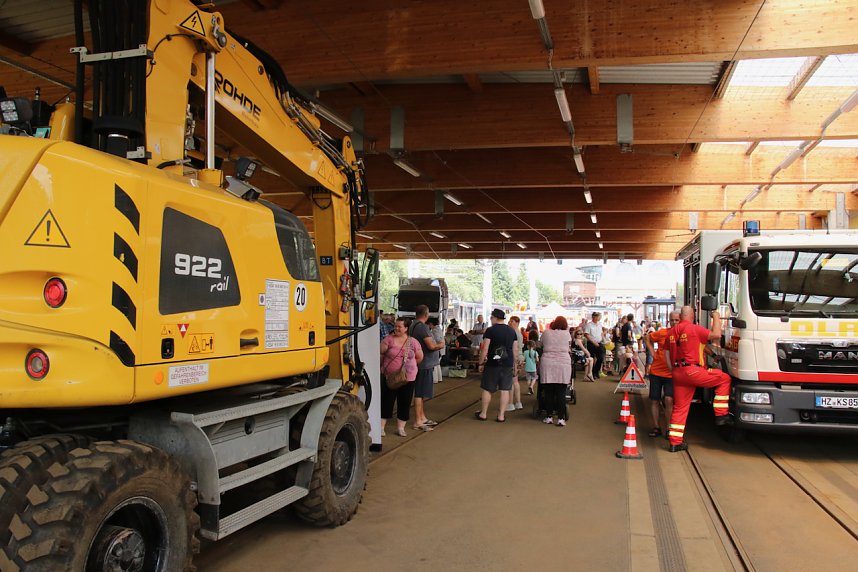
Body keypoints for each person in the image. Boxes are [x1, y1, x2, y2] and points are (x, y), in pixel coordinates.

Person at [665, 305, 731, 452]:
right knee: (724, 379)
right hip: (692, 371)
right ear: (692, 316)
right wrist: (716, 316)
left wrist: (672, 370)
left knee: (680, 408)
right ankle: (721, 415)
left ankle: (675, 442)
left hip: (678, 373)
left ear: (681, 316)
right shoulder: (694, 328)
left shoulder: (671, 332)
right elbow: (716, 335)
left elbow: (667, 353)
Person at [380, 317, 424, 437]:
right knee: (386, 401)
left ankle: (401, 428)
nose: (396, 328)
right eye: (395, 326)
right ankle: (381, 427)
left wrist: (408, 366)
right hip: (390, 377)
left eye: (400, 326)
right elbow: (381, 353)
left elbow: (419, 357)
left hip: (408, 378)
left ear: (406, 328)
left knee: (405, 402)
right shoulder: (388, 339)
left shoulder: (413, 342)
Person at [475, 309, 518, 422]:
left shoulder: (490, 330)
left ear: (494, 317)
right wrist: (515, 366)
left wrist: (480, 362)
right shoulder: (512, 331)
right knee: (505, 389)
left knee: (487, 388)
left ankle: (483, 414)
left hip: (493, 363)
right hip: (507, 363)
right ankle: (501, 416)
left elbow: (485, 348)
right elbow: (515, 350)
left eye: (491, 317)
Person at [409, 305, 445, 431]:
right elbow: (430, 346)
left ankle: (422, 417)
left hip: (418, 362)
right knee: (420, 393)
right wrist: (440, 345)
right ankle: (418, 421)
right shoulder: (423, 327)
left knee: (420, 392)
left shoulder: (412, 325)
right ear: (426, 314)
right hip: (424, 364)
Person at [644, 311, 679, 438]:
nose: (674, 322)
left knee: (669, 400)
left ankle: (669, 428)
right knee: (655, 400)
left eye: (677, 320)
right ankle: (656, 427)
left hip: (671, 374)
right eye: (672, 320)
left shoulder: (682, 334)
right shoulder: (663, 332)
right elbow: (647, 338)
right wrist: (653, 353)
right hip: (656, 372)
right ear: (668, 321)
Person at [539, 316, 572, 427]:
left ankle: (549, 416)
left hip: (548, 362)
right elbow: (568, 347)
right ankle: (561, 418)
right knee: (561, 392)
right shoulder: (567, 334)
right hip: (563, 364)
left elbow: (540, 344)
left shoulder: (546, 332)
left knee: (548, 392)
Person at [506, 315, 525, 411]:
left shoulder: (514, 333)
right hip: (518, 357)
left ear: (517, 323)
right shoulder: (519, 333)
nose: (510, 323)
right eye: (510, 321)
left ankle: (510, 403)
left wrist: (515, 361)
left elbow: (515, 348)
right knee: (515, 381)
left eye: (512, 321)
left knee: (511, 382)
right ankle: (518, 403)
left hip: (514, 357)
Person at [582, 312, 605, 379]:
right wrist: (594, 342)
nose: (599, 318)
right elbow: (586, 334)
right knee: (591, 358)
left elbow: (601, 333)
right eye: (598, 316)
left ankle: (596, 371)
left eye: (599, 316)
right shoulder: (589, 325)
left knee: (600, 358)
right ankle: (592, 373)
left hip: (599, 343)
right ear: (594, 317)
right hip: (591, 343)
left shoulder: (600, 324)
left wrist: (603, 340)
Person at [427, 317, 445, 383]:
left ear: (431, 324)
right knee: (437, 365)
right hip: (441, 349)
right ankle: (439, 378)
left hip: (438, 349)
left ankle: (434, 379)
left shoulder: (434, 330)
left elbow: (438, 340)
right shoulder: (438, 328)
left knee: (434, 365)